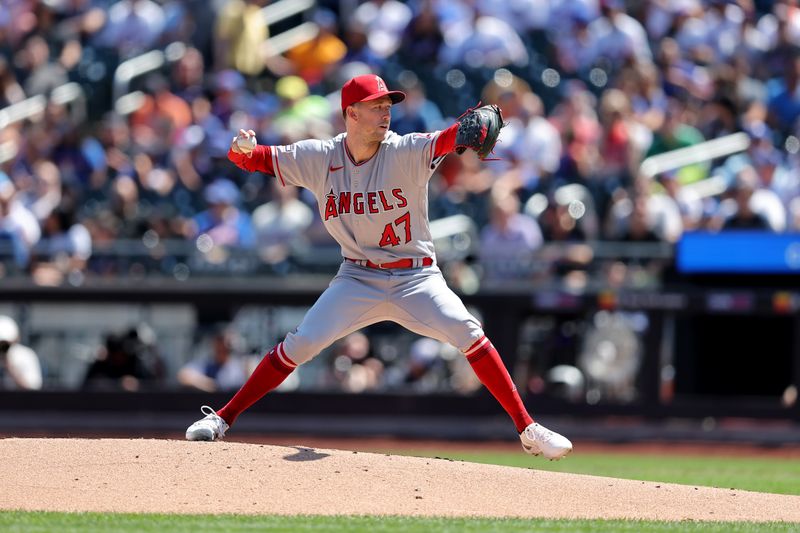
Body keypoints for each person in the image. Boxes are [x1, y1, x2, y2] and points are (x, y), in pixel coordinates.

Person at [185, 74, 572, 460]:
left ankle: (527, 428)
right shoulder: (320, 157)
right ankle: (222, 418)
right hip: (357, 276)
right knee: (299, 344)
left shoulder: (405, 150)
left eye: (388, 106)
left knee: (469, 331)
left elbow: (445, 139)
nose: (386, 114)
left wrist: (462, 131)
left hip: (415, 276)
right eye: (376, 107)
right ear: (351, 113)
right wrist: (241, 147)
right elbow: (251, 160)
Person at [0, 315, 43, 391]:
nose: (3, 348)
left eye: (5, 344)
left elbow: (32, 389)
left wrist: (10, 368)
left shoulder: (25, 356)